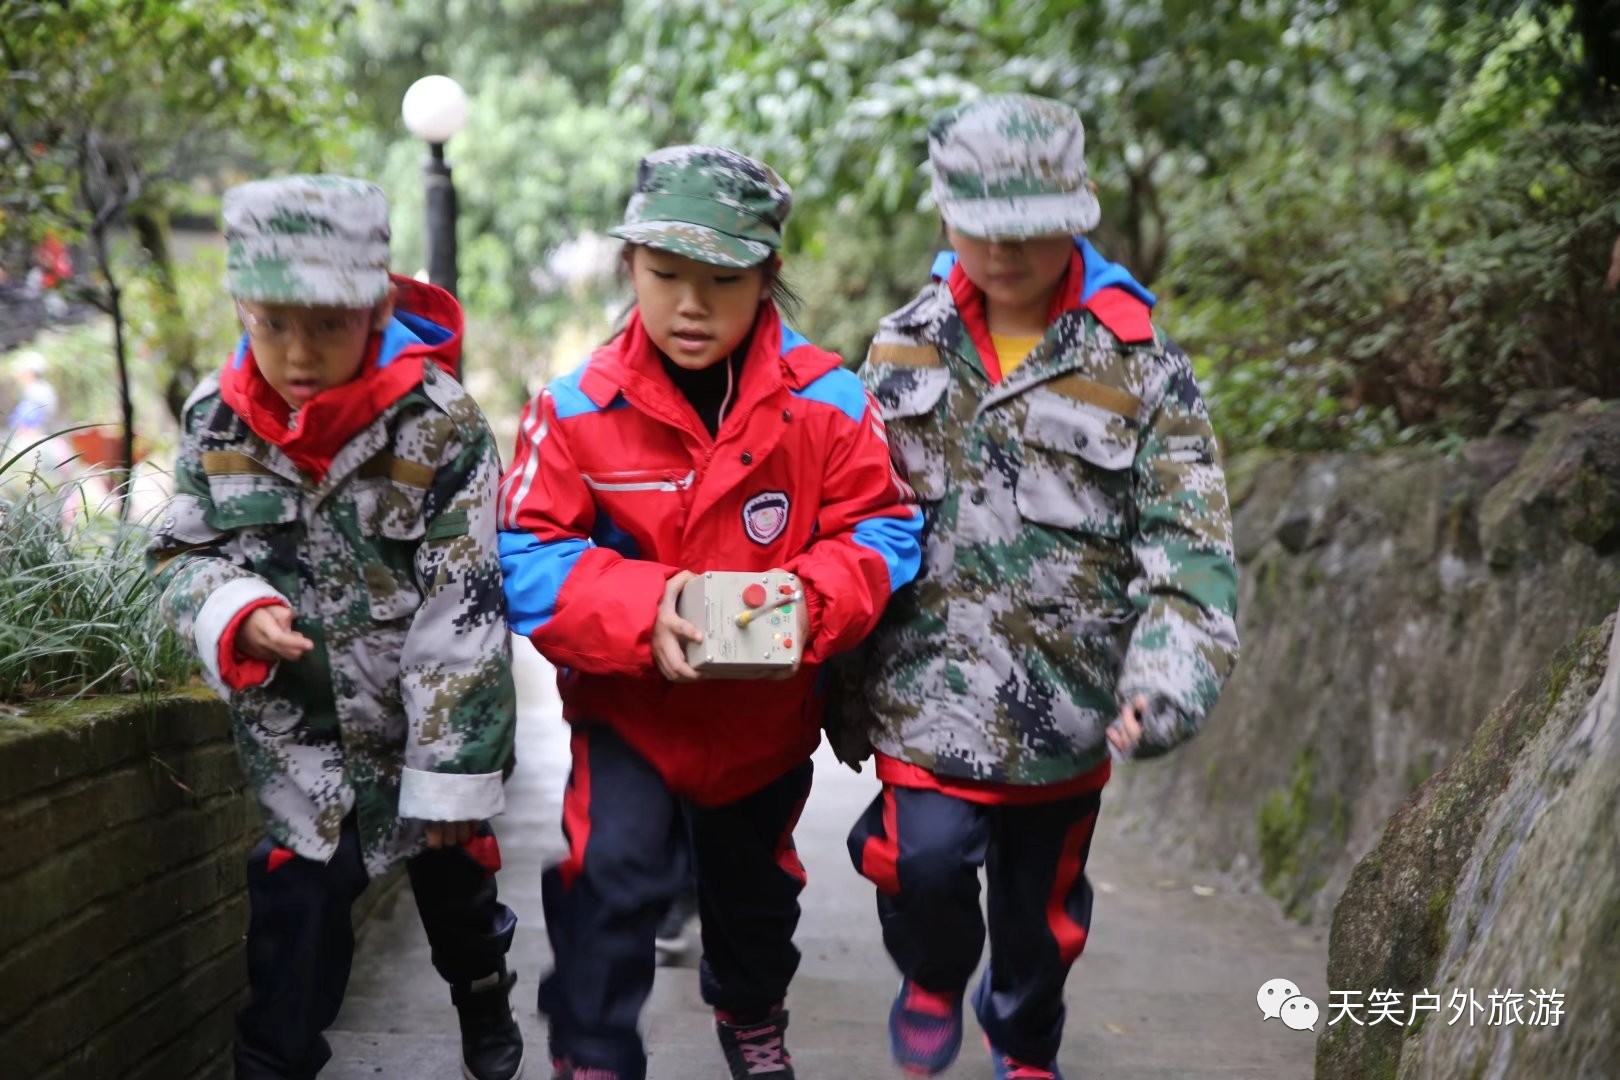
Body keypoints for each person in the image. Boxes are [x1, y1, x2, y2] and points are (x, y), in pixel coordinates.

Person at [499, 145, 923, 1080]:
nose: (692, 305)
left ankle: (751, 1010)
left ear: (769, 279)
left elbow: (885, 531)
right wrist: (645, 606)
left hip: (763, 727)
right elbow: (527, 551)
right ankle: (592, 1050)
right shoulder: (575, 412)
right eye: (666, 275)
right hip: (629, 715)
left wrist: (813, 602)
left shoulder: (827, 405)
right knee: (605, 878)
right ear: (630, 270)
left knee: (755, 901)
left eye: (724, 281)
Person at [843, 95, 1241, 1080]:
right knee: (923, 865)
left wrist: (1166, 683)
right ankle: (932, 971)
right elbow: (849, 506)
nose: (1002, 249)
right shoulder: (904, 345)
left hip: (1064, 705)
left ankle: (1023, 1042)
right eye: (979, 224)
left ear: (1079, 209)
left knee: (1042, 919)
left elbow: (1189, 551)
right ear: (945, 213)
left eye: (1027, 227)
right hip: (924, 695)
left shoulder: (1141, 364)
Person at [146, 175, 524, 1080]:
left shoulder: (442, 428)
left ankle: (480, 990)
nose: (298, 352)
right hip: (300, 734)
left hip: (423, 725)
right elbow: (173, 559)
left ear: (379, 304)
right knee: (294, 916)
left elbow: (462, 608)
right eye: (273, 323)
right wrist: (235, 611)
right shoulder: (214, 421)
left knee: (454, 888)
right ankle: (272, 1064)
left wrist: (448, 780)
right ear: (242, 305)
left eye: (326, 323)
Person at [6, 350, 58, 442]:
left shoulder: (36, 391)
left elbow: (27, 424)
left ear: (29, 372)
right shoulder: (40, 389)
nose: (18, 375)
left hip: (34, 442)